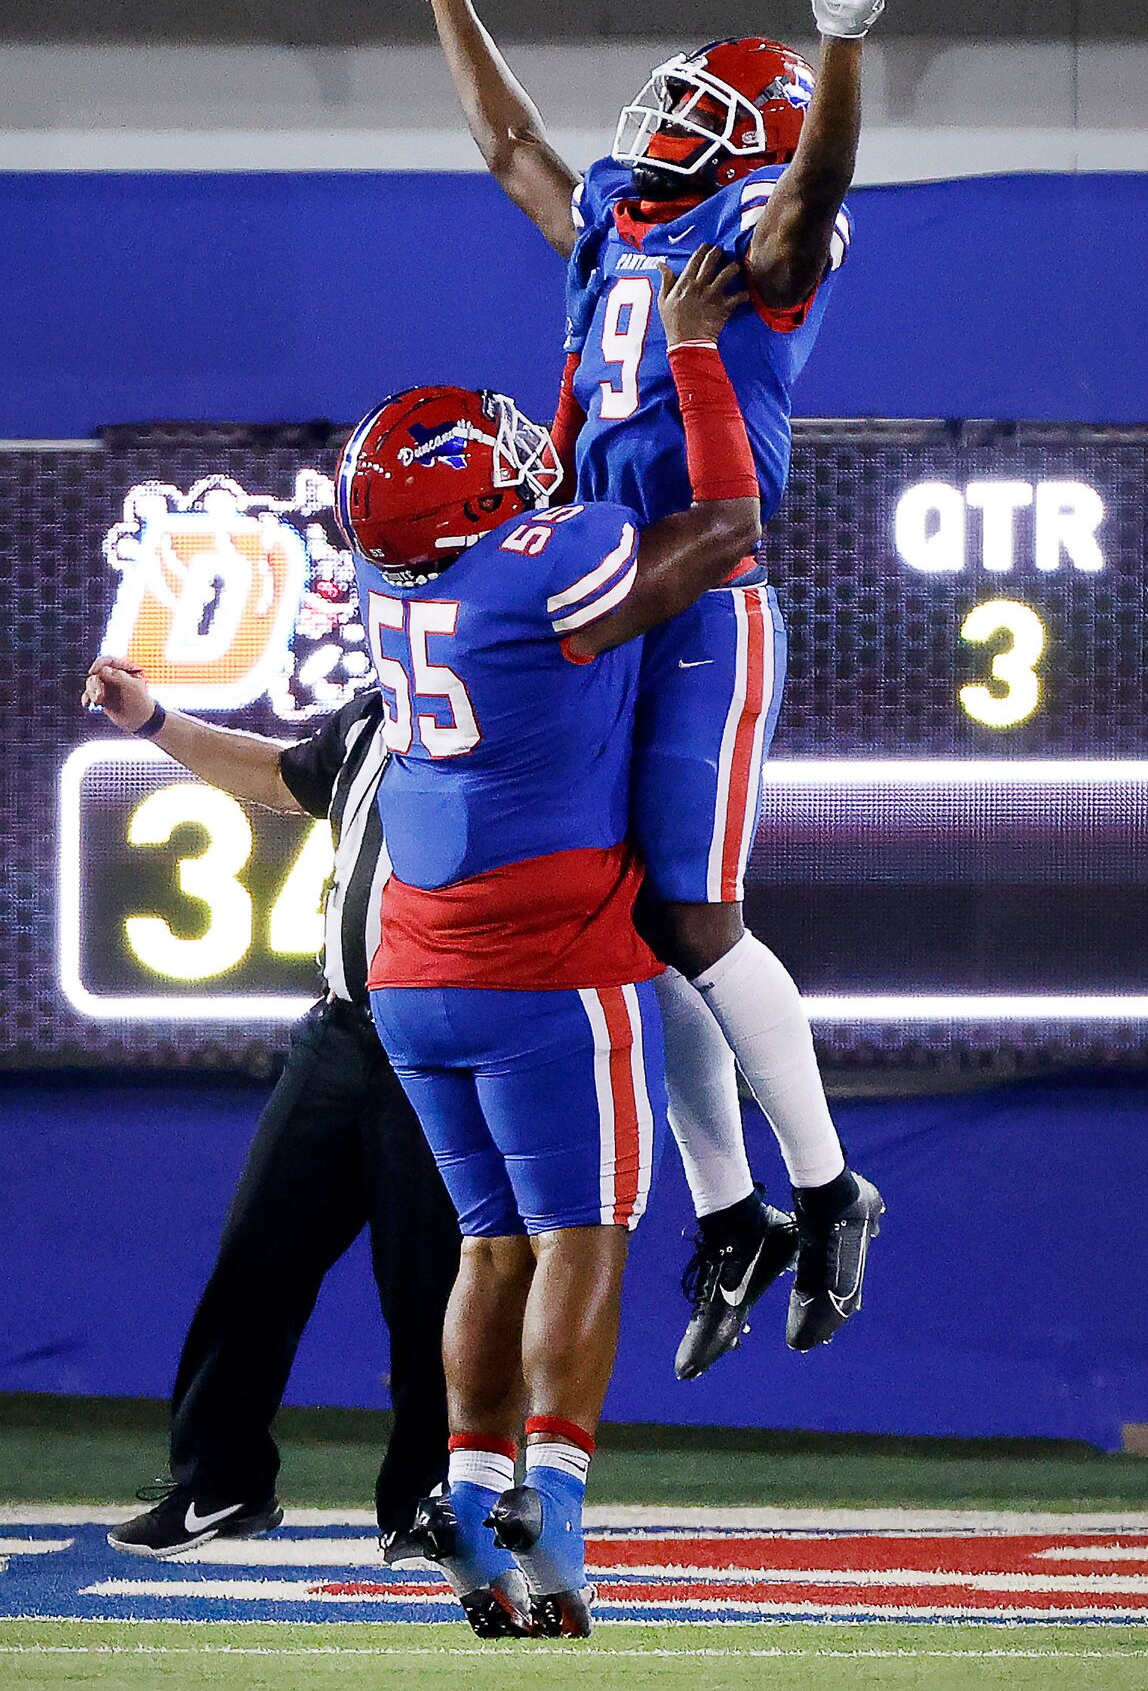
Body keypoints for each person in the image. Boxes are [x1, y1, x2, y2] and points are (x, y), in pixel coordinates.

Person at [404, 0, 915, 1372]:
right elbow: (510, 151)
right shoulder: (626, 224)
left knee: (692, 915)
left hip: (706, 600)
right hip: (607, 594)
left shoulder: (757, 239)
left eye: (705, 106)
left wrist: (842, 51)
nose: (671, 117)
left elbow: (811, 198)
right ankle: (734, 1207)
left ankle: (827, 1192)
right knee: (628, 929)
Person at [338, 249, 761, 1639]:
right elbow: (719, 532)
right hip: (545, 966)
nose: (531, 458)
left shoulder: (385, 575)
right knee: (584, 1232)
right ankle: (559, 1506)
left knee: (487, 1243)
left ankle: (465, 1494)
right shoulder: (541, 566)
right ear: (477, 502)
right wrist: (693, 352)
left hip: (411, 972)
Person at [79, 666, 461, 1559]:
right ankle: (220, 1481)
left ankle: (427, 1498)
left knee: (430, 1283)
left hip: (442, 1038)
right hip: (340, 1029)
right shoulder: (379, 706)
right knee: (257, 1251)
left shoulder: (513, 705)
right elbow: (279, 776)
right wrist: (156, 721)